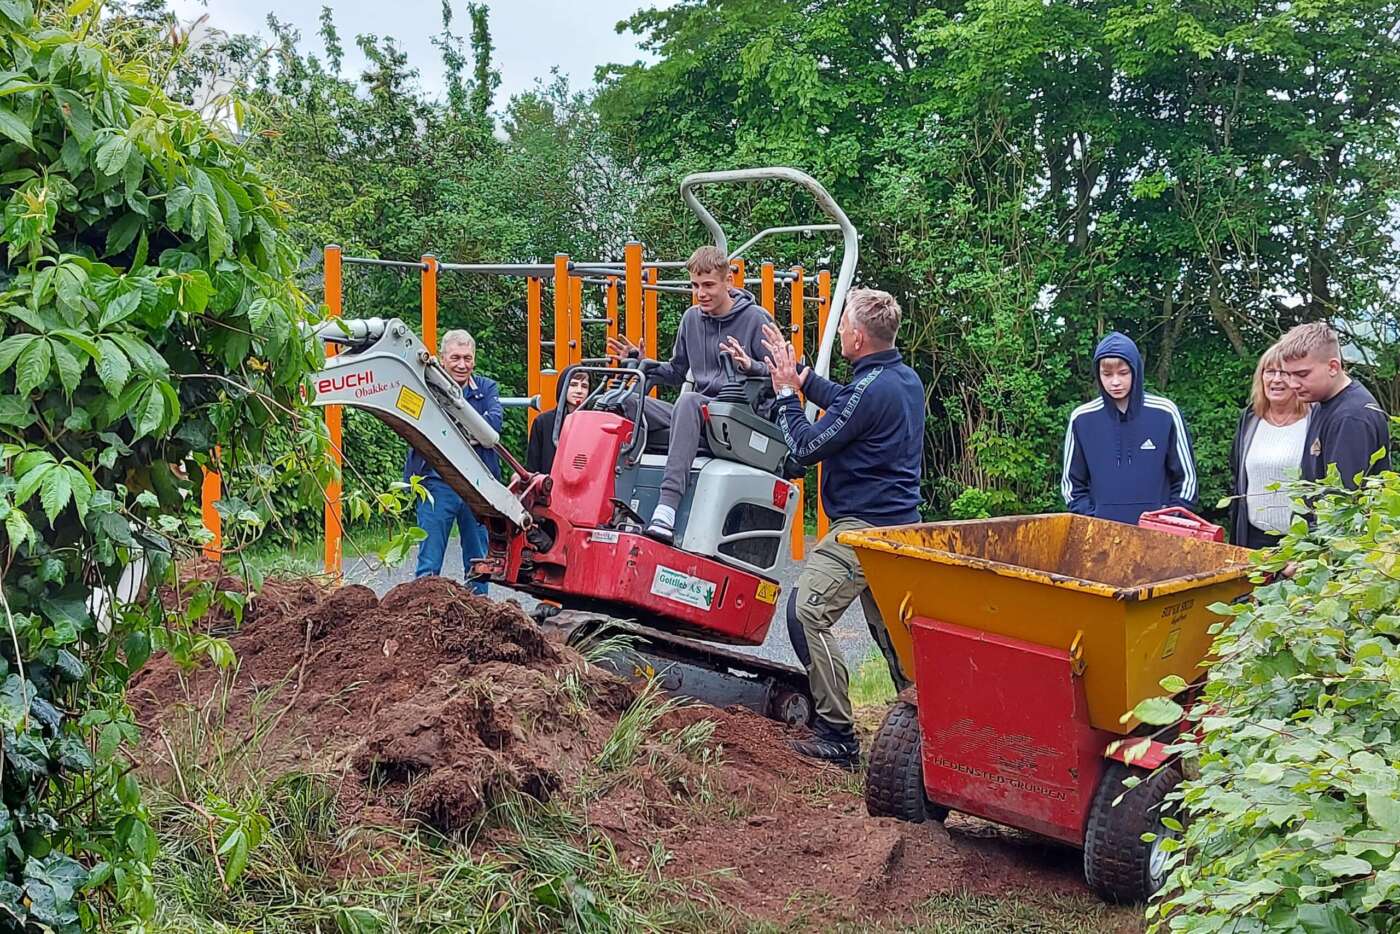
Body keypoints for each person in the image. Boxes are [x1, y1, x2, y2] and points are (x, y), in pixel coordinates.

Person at [751, 288, 925, 770]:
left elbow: (806, 449)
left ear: (856, 335)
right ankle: (928, 730)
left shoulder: (871, 390)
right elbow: (848, 404)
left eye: (843, 322)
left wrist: (787, 394)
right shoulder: (902, 380)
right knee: (893, 633)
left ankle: (837, 734)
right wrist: (803, 376)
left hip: (863, 529)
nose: (840, 330)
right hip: (900, 528)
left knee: (806, 611)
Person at [605, 245, 775, 545]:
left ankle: (666, 507)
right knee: (624, 401)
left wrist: (751, 365)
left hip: (740, 418)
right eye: (695, 286)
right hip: (701, 414)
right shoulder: (691, 320)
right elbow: (675, 371)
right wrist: (640, 362)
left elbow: (785, 373)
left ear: (728, 282)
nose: (701, 293)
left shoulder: (756, 319)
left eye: (708, 285)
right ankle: (613, 500)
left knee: (689, 401)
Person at [1061, 331, 1198, 524]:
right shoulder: (1082, 418)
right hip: (1102, 536)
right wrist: (1093, 520)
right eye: (1107, 374)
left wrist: (1166, 521)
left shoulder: (1165, 412)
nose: (1115, 382)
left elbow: (1187, 480)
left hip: (1158, 537)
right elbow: (1072, 486)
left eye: (1123, 373)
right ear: (1098, 374)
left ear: (1135, 370)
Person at [405, 329, 501, 593]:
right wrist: (471, 432)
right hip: (436, 484)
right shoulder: (425, 386)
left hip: (478, 488)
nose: (462, 364)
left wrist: (449, 431)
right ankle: (422, 610)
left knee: (479, 562)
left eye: (467, 358)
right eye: (456, 357)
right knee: (429, 562)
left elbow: (491, 429)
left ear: (475, 360)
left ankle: (480, 613)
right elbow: (419, 425)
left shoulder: (486, 388)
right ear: (442, 359)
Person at [1276, 321, 1391, 488]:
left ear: (1333, 367)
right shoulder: (1322, 403)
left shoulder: (1352, 417)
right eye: (1288, 374)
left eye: (1302, 374)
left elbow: (1342, 504)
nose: (1292, 384)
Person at [1228, 345, 1312, 548]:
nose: (1276, 379)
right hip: (1253, 538)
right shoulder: (1249, 419)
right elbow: (1236, 474)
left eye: (1284, 373)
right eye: (1270, 371)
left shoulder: (1316, 419)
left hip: (1301, 542)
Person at [525, 370, 590, 474]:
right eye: (573, 385)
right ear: (562, 388)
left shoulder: (593, 423)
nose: (579, 390)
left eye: (584, 386)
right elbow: (533, 466)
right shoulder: (543, 422)